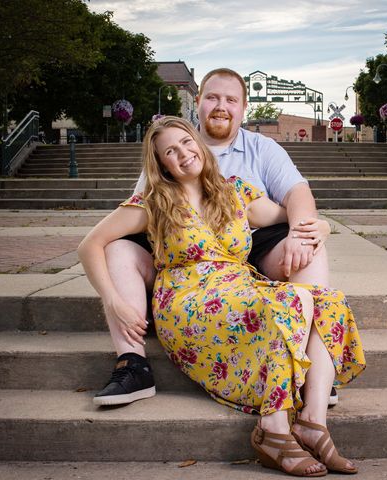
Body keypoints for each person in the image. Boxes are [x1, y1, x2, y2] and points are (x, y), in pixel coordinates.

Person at [78, 116, 365, 476]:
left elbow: (291, 216)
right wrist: (113, 300)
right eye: (170, 151)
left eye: (185, 142)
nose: (183, 154)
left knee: (328, 301)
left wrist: (320, 225)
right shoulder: (154, 202)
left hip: (239, 290)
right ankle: (274, 431)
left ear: (198, 143)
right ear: (162, 164)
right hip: (188, 301)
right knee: (294, 300)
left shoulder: (235, 192)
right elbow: (91, 244)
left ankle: (313, 420)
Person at [94, 68, 340, 407]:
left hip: (248, 250)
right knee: (119, 247)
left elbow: (295, 195)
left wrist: (312, 228)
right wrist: (112, 297)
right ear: (198, 103)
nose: (221, 106)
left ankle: (310, 368)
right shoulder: (171, 144)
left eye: (230, 99)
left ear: (244, 107)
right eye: (212, 97)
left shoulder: (261, 149)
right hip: (185, 261)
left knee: (309, 245)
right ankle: (132, 364)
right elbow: (139, 212)